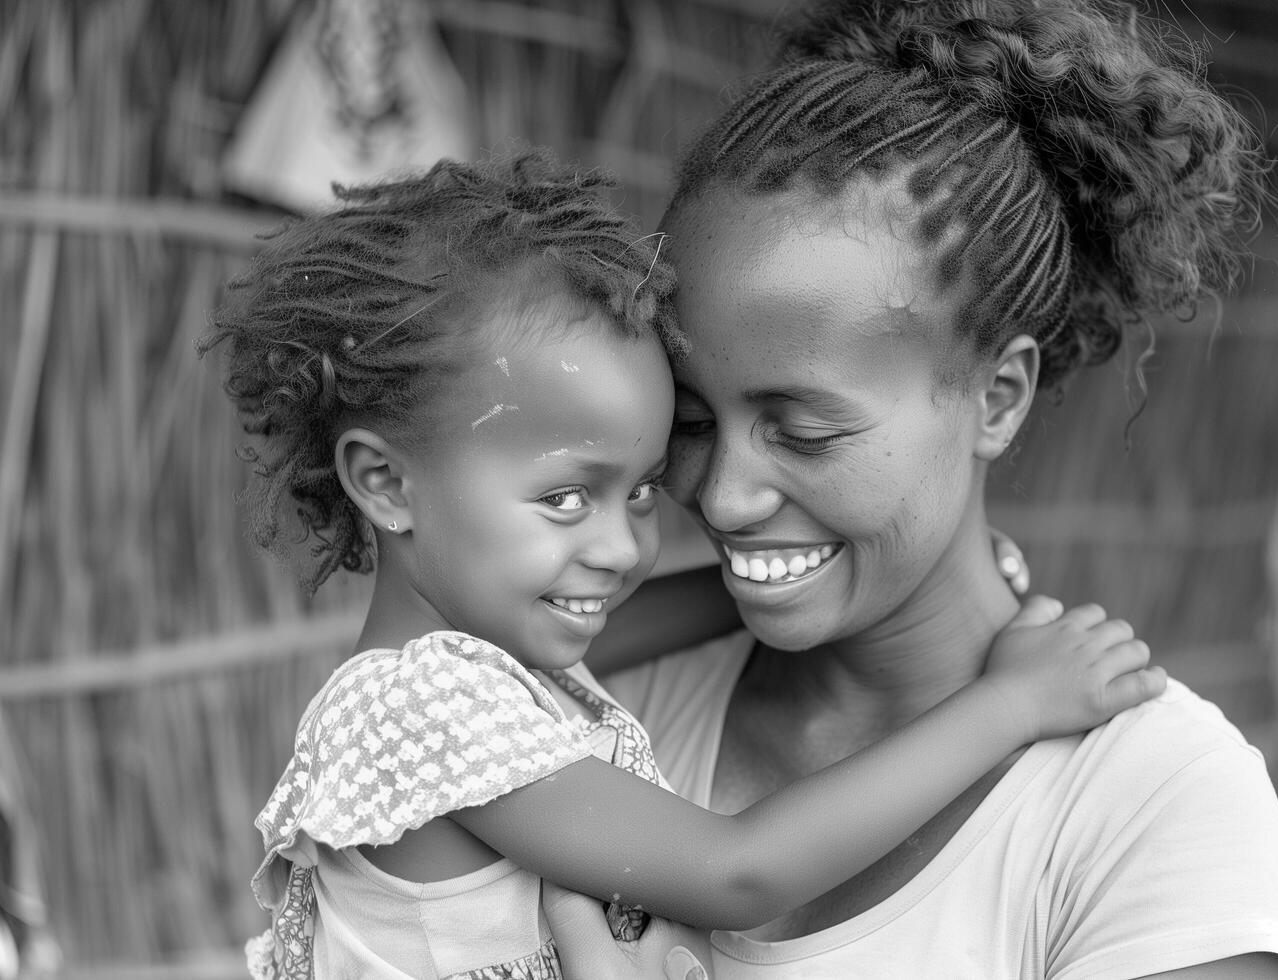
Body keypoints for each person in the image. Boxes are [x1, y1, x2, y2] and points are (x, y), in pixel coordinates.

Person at [202, 150, 1164, 979]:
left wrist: (933, 575)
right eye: (568, 497)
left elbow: (696, 604)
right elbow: (737, 873)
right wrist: (1012, 704)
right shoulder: (421, 712)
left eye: (645, 491)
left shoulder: (503, 661)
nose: (623, 549)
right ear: (387, 483)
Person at [547, 0, 1278, 977]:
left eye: (805, 429)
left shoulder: (1151, 804)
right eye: (693, 419)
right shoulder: (591, 701)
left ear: (997, 398)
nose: (726, 495)